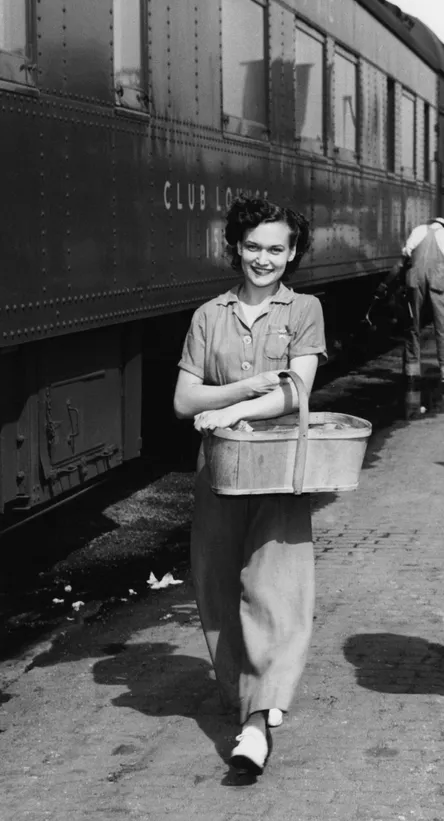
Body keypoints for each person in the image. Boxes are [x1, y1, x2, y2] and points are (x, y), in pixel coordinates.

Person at [173, 197, 327, 774]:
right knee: (215, 586)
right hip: (218, 466)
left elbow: (297, 393)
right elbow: (184, 400)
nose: (264, 259)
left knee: (275, 587)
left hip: (280, 469)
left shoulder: (304, 310)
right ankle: (248, 697)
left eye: (277, 249)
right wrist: (241, 394)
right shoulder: (208, 315)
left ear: (292, 255)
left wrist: (226, 406)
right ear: (236, 247)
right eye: (254, 246)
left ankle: (259, 721)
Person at [378, 216, 444, 392]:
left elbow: (402, 261)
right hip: (439, 280)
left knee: (412, 325)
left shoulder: (417, 231)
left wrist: (385, 283)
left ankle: (411, 372)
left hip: (414, 280)